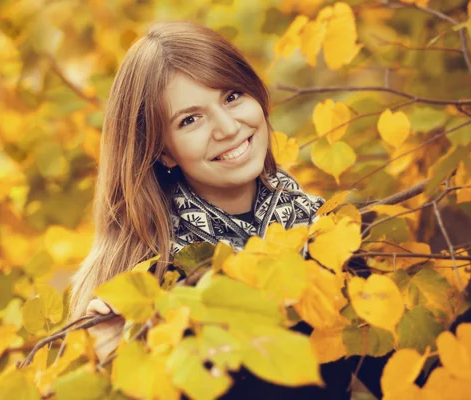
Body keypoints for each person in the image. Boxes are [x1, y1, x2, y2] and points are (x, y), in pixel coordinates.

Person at [69, 20, 373, 399]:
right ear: (163, 151)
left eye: (231, 96)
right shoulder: (153, 285)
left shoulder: (327, 235)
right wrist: (115, 366)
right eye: (190, 119)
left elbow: (413, 380)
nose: (228, 127)